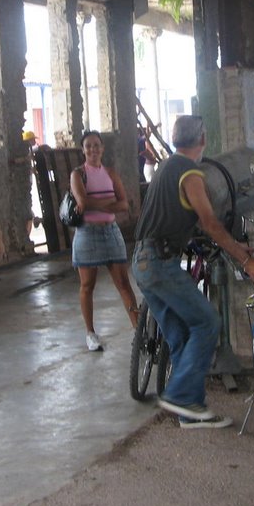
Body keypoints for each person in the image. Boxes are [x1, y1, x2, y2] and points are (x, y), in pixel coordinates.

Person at [132, 115, 254, 429]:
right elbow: (209, 222)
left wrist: (235, 249)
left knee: (180, 334)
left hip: (142, 260)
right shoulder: (190, 173)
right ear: (203, 140)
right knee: (207, 322)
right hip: (159, 262)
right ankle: (181, 397)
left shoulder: (167, 166)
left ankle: (189, 410)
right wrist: (244, 259)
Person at [70, 130, 140, 351]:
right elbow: (82, 201)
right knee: (87, 285)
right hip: (87, 233)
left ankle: (139, 332)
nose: (93, 149)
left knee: (124, 284)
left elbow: (125, 205)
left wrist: (94, 202)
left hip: (111, 232)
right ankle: (90, 334)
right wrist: (109, 202)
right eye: (88, 146)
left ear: (102, 148)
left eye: (96, 145)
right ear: (83, 150)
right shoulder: (78, 174)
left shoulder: (110, 173)